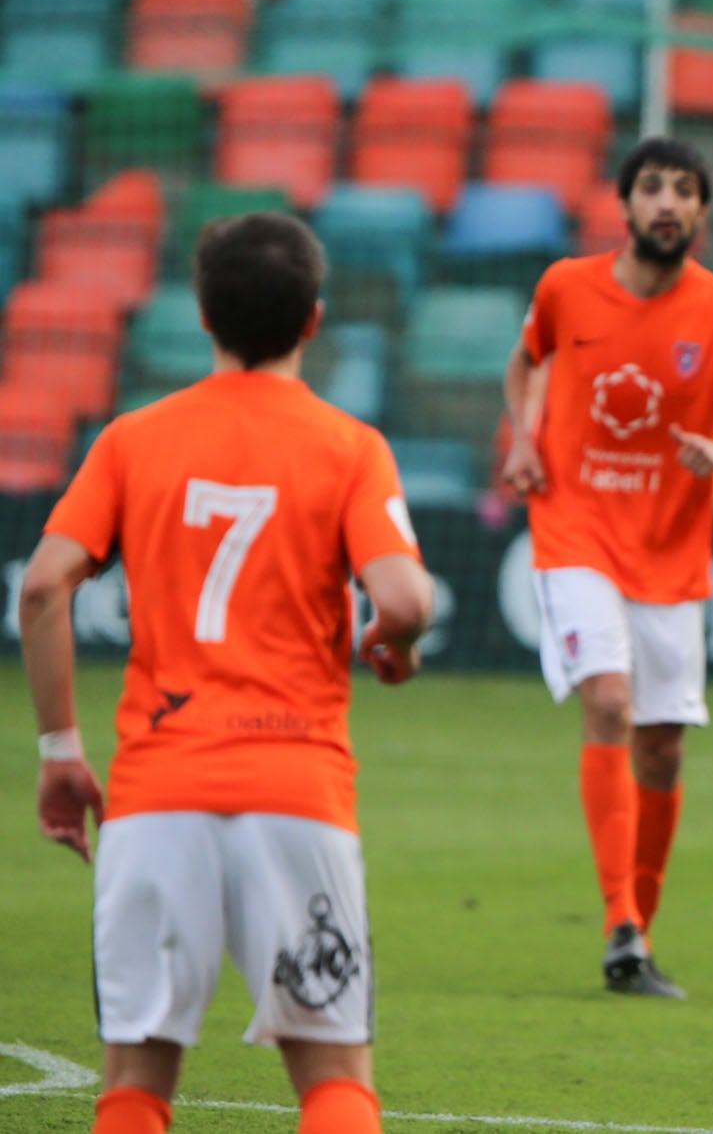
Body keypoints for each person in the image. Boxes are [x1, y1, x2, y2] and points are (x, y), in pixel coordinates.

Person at [24, 211, 436, 1134]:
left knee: (135, 1079)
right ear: (315, 320)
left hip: (155, 792)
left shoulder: (134, 440)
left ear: (205, 317)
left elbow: (45, 586)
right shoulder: (350, 445)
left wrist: (60, 748)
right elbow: (404, 597)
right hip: (296, 790)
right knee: (333, 1076)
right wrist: (394, 642)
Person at [501, 136, 713, 998]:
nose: (667, 203)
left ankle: (640, 937)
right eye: (652, 188)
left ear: (703, 212)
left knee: (660, 750)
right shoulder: (564, 287)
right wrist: (522, 436)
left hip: (670, 555)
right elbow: (526, 362)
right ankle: (620, 922)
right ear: (625, 207)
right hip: (574, 528)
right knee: (611, 701)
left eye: (685, 190)